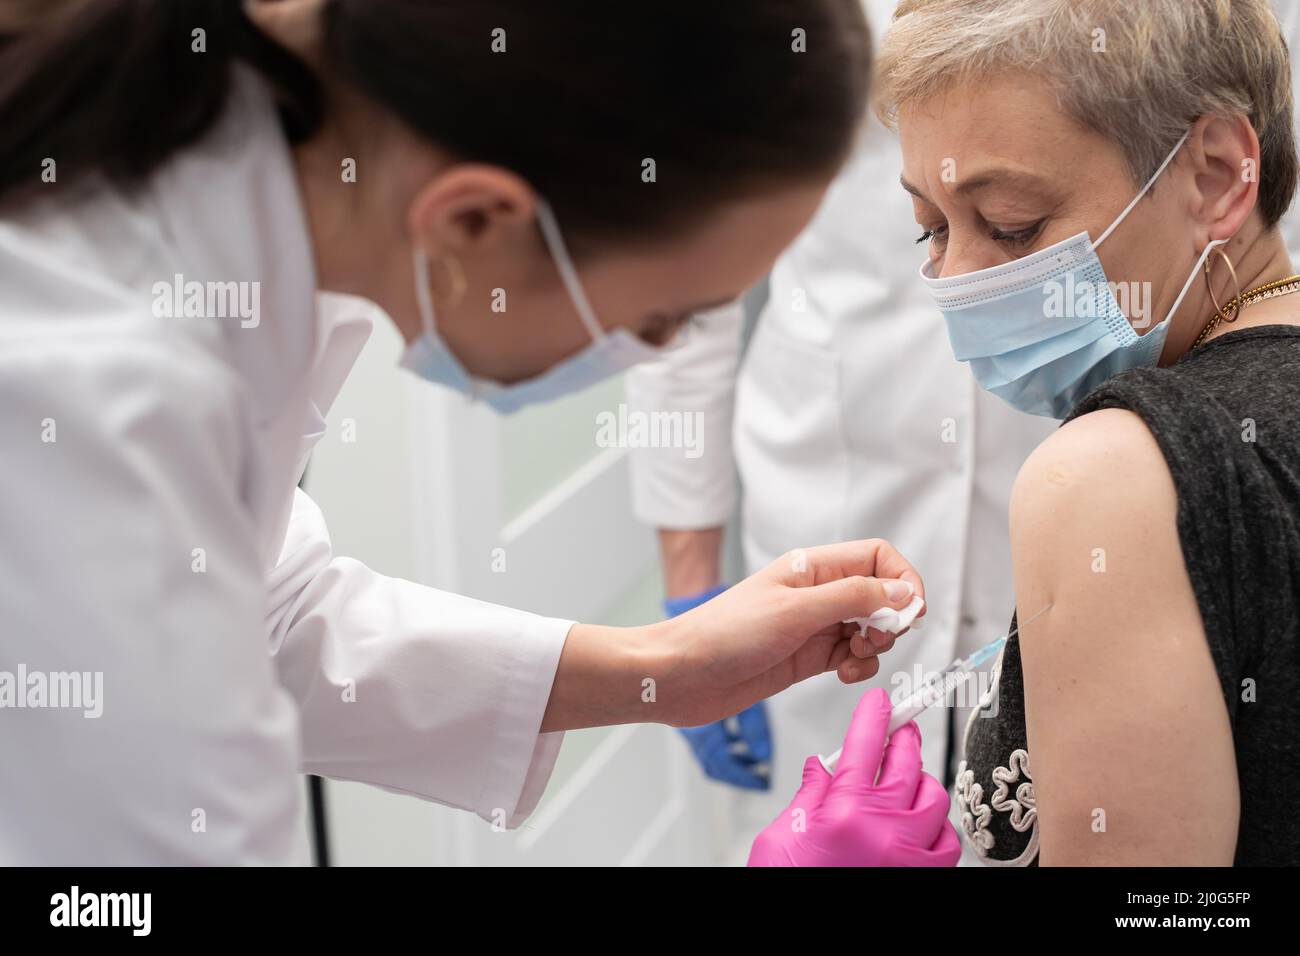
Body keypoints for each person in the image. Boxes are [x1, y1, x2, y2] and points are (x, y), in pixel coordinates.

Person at [0, 0, 957, 865]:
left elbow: (261, 614)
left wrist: (661, 672)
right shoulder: (89, 400)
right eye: (665, 317)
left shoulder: (249, 255)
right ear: (475, 222)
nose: (660, 349)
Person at [875, 0, 1300, 864]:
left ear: (1216, 176)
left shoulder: (1113, 478)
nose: (955, 279)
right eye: (930, 228)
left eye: (1010, 225)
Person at [624, 0, 1051, 853]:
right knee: (824, 811)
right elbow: (685, 273)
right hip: (829, 482)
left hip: (1059, 470)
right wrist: (688, 589)